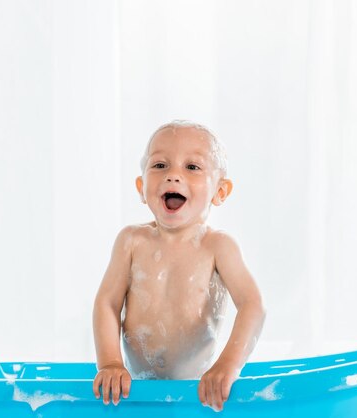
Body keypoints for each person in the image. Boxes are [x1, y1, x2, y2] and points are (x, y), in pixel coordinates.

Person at [92, 120, 266, 412]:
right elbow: (107, 304)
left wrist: (227, 366)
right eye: (160, 165)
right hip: (138, 391)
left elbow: (253, 305)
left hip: (196, 394)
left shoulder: (218, 247)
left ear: (220, 191)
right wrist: (110, 363)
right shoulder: (131, 241)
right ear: (141, 186)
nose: (173, 175)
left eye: (192, 167)